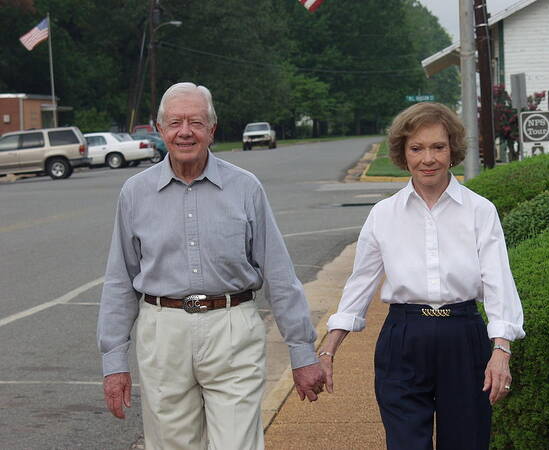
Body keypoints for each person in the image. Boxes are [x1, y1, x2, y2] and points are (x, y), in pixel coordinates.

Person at [97, 82, 325, 450]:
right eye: (174, 123)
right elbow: (120, 281)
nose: (184, 132)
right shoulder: (134, 193)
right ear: (160, 130)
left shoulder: (245, 188)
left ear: (212, 130)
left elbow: (280, 275)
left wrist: (302, 352)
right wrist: (114, 361)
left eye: (195, 122)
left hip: (233, 327)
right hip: (162, 331)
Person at [318, 102, 525, 449]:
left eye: (437, 147)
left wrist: (500, 350)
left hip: (464, 339)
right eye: (417, 148)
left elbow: (498, 282)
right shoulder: (383, 215)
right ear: (403, 152)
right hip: (402, 341)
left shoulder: (480, 211)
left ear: (452, 150)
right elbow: (359, 286)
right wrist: (328, 350)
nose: (428, 158)